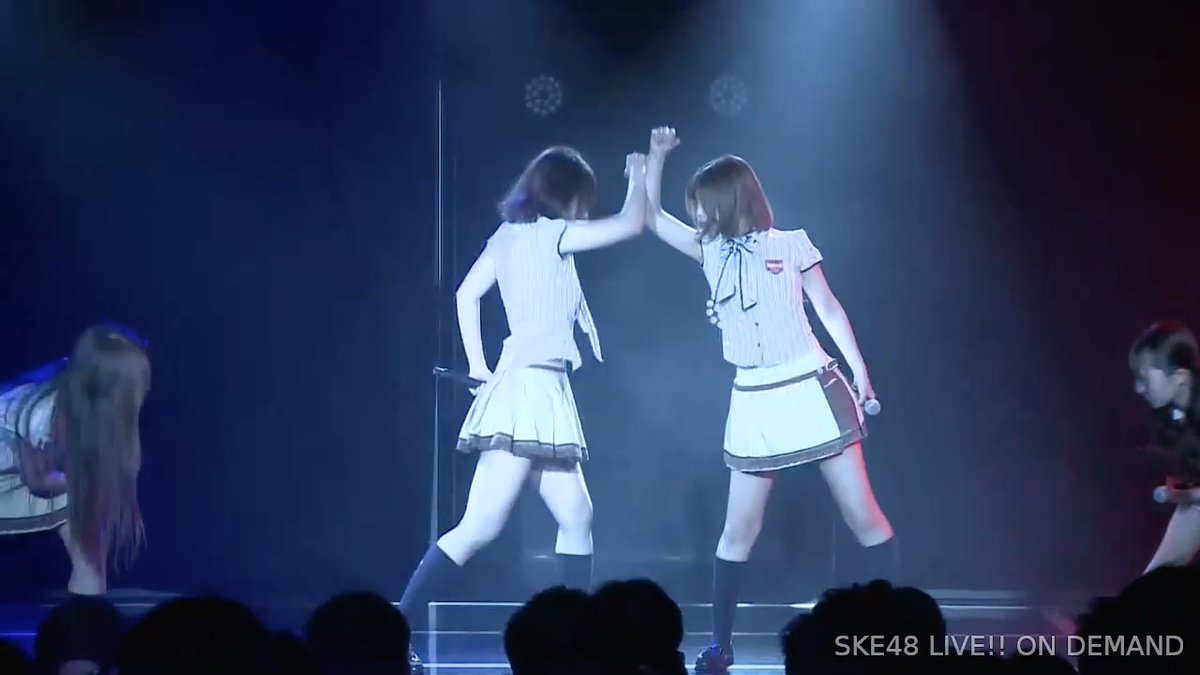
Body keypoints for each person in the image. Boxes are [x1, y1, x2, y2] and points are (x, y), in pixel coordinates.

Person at [642, 127, 899, 673]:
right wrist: (656, 159)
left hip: (810, 385)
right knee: (737, 531)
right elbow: (652, 219)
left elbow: (828, 307)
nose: (696, 213)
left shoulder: (792, 242)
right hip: (753, 397)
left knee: (864, 518)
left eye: (702, 203)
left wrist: (859, 370)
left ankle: (899, 636)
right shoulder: (708, 250)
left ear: (728, 200)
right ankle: (720, 646)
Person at [399, 146, 647, 671]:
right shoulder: (551, 235)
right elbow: (632, 223)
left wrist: (479, 365)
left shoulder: (508, 237)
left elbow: (466, 295)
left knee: (576, 515)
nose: (584, 208)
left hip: (538, 388)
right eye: (582, 197)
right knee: (479, 526)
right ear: (567, 194)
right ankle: (395, 628)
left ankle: (576, 635)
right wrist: (644, 170)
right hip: (528, 390)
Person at [0, 323, 150, 596]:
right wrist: (94, 485)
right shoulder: (44, 415)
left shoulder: (90, 407)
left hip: (21, 473)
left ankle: (89, 598)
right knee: (82, 502)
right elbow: (38, 481)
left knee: (85, 509)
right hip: (11, 479)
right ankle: (88, 592)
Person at [1129, 320, 1200, 573]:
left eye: (1145, 379)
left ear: (1179, 377)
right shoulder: (1169, 417)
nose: (1139, 388)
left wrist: (1189, 495)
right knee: (1155, 578)